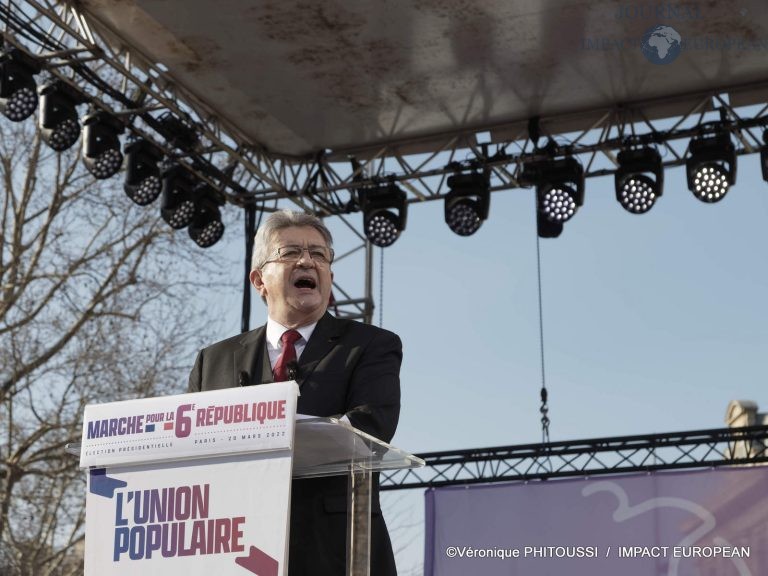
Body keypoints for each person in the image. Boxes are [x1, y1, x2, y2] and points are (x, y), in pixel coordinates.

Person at [188, 210, 401, 576]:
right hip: (234, 548)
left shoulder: (370, 345)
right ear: (259, 280)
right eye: (291, 253)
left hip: (337, 550)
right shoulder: (214, 360)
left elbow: (371, 426)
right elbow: (190, 450)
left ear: (330, 277)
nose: (307, 261)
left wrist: (271, 433)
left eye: (319, 255)